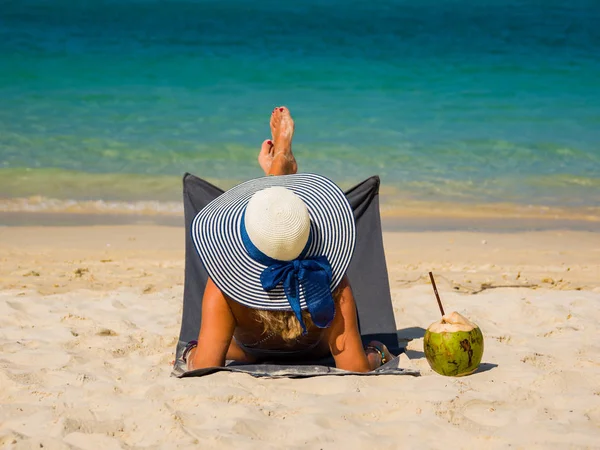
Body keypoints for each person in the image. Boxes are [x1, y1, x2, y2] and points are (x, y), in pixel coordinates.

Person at [183, 107, 393, 373]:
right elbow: (356, 368)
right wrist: (378, 354)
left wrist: (190, 354)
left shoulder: (224, 282)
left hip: (249, 352)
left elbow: (204, 367)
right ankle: (280, 166)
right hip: (316, 352)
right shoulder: (329, 277)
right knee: (278, 213)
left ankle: (279, 168)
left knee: (271, 215)